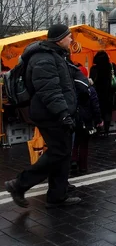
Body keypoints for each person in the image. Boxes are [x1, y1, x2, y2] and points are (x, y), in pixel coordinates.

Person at [4, 24, 81, 208]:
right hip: (50, 114)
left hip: (53, 112)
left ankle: (57, 195)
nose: (71, 40)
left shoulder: (54, 55)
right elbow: (49, 91)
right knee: (58, 152)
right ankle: (19, 184)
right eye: (69, 37)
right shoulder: (44, 58)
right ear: (60, 38)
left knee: (62, 153)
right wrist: (63, 113)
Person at [70, 64, 103, 174]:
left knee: (74, 141)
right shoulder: (90, 88)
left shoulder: (70, 87)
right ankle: (83, 166)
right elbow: (95, 106)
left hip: (74, 117)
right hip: (86, 119)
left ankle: (73, 160)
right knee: (84, 143)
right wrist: (98, 120)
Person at [89, 50, 116, 137]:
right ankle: (106, 130)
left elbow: (91, 81)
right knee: (108, 113)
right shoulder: (112, 66)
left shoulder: (94, 69)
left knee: (98, 113)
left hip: (98, 95)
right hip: (109, 94)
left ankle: (98, 130)